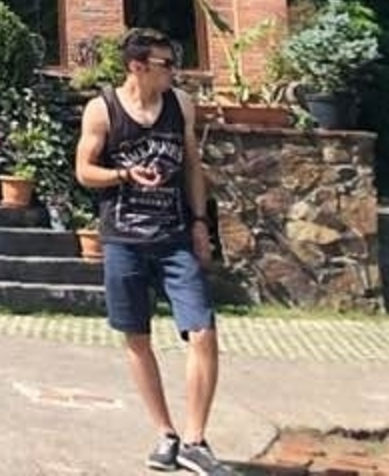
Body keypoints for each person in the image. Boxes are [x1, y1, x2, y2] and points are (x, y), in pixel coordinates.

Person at [75, 28, 232, 476]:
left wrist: (200, 223)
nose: (174, 72)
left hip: (174, 237)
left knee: (202, 331)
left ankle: (195, 440)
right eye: (166, 64)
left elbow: (193, 167)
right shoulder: (103, 109)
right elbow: (84, 171)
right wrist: (123, 175)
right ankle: (166, 433)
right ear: (137, 66)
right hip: (124, 239)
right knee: (137, 338)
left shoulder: (180, 104)